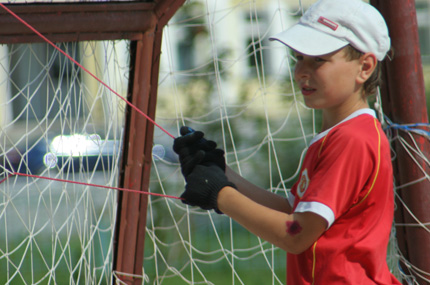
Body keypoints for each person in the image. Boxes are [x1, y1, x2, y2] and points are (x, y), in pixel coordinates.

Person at [173, 0, 401, 284]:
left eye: (318, 59)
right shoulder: (336, 137)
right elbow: (291, 212)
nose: (301, 71)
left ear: (364, 67)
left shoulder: (353, 138)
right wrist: (221, 173)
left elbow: (297, 234)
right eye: (298, 57)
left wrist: (219, 195)